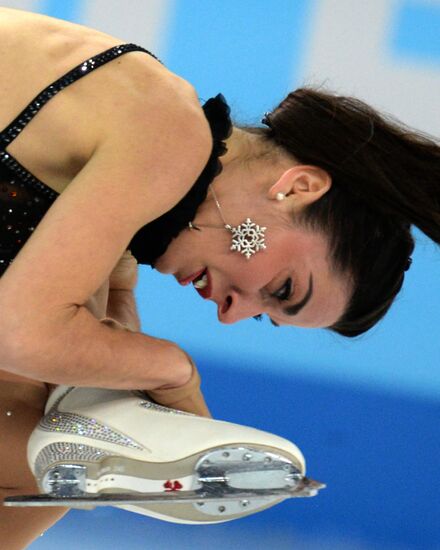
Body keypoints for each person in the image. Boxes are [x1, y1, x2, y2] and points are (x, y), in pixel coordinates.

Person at [0, 5, 439, 547]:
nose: (233, 313)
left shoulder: (128, 209)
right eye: (282, 290)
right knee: (37, 433)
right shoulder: (168, 132)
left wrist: (119, 387)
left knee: (42, 430)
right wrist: (174, 372)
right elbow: (21, 333)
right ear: (297, 187)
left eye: (265, 318)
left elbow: (66, 350)